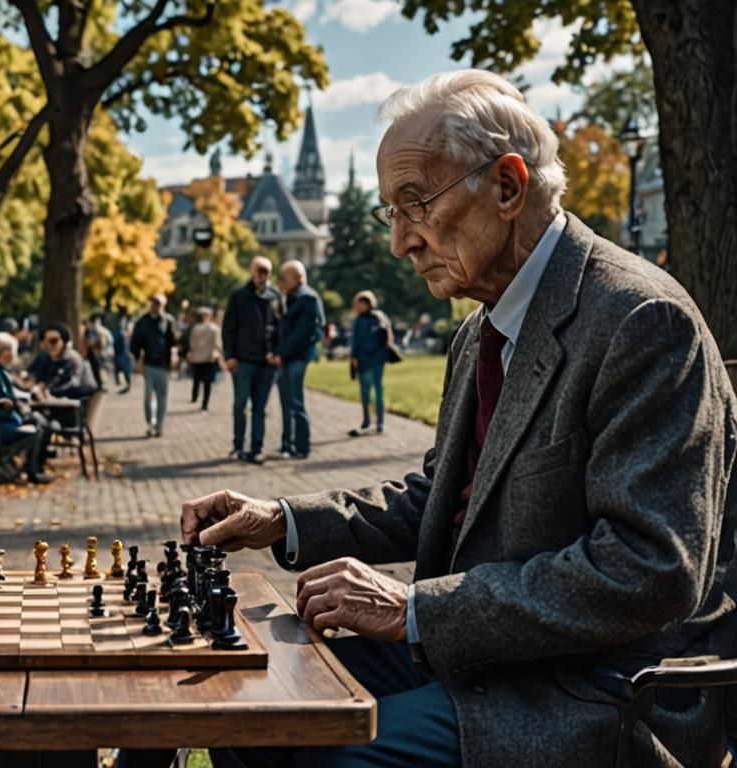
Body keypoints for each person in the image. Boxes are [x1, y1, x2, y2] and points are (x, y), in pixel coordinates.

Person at [177, 68, 737, 768]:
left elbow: (651, 570)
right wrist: (283, 518)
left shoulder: (641, 320)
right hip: (483, 659)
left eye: (415, 205)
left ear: (506, 186)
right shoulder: (481, 330)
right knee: (248, 706)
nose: (399, 242)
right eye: (392, 212)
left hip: (603, 691)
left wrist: (415, 607)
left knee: (328, 756)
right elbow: (441, 498)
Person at [0, 333, 52, 484]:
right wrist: (13, 404)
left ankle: (34, 466)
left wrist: (19, 401)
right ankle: (32, 470)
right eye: (9, 351)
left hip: (4, 419)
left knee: (40, 420)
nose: (11, 356)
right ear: (2, 352)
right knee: (38, 427)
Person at [222, 256, 279, 463]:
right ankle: (238, 446)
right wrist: (229, 356)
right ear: (252, 272)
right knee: (239, 405)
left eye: (266, 272)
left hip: (266, 363)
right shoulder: (238, 296)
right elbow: (228, 328)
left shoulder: (276, 297)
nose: (262, 276)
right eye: (259, 271)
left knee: (259, 408)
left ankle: (257, 448)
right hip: (243, 361)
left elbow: (280, 329)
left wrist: (277, 352)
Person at [274, 261, 324, 458]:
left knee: (295, 402)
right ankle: (287, 445)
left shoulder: (307, 298)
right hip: (289, 356)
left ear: (298, 277)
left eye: (284, 278)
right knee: (287, 402)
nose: (280, 283)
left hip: (296, 357)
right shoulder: (294, 297)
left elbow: (302, 333)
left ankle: (301, 447)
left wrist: (280, 353)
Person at [130, 294, 177, 437]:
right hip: (149, 364)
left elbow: (173, 341)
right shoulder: (143, 321)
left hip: (163, 364)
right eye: (155, 303)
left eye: (159, 304)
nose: (157, 306)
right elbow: (135, 342)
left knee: (162, 397)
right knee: (148, 396)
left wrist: (174, 356)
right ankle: (150, 422)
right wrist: (137, 358)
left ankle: (159, 426)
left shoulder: (168, 321)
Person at [348, 290, 391, 436]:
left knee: (378, 391)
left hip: (377, 360)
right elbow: (355, 341)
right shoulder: (358, 320)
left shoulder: (379, 317)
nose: (360, 306)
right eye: (358, 303)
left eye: (363, 303)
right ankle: (366, 421)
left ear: (369, 303)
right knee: (365, 393)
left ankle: (380, 423)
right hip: (362, 360)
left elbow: (387, 338)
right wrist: (354, 357)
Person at [25, 322, 99, 401]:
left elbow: (72, 385)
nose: (49, 345)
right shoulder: (44, 357)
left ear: (64, 341)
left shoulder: (71, 359)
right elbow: (31, 375)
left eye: (54, 341)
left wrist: (48, 390)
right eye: (45, 342)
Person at [186, 307, 221, 412]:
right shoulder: (214, 328)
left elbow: (192, 343)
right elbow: (217, 344)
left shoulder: (196, 328)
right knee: (207, 382)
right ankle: (204, 404)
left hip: (198, 358)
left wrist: (194, 351)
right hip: (209, 358)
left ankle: (195, 397)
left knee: (196, 379)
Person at [112, 310, 134, 394]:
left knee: (125, 371)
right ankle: (123, 387)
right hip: (120, 354)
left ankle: (126, 386)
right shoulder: (118, 332)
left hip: (125, 354)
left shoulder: (125, 331)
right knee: (120, 371)